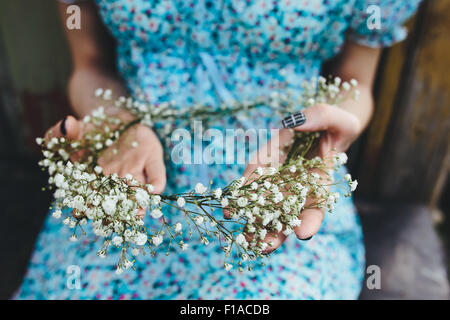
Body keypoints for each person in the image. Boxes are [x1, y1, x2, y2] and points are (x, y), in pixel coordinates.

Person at [16, 0, 421, 299]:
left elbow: (354, 82)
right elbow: (90, 65)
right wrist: (120, 125)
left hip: (277, 181)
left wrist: (318, 135)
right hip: (132, 174)